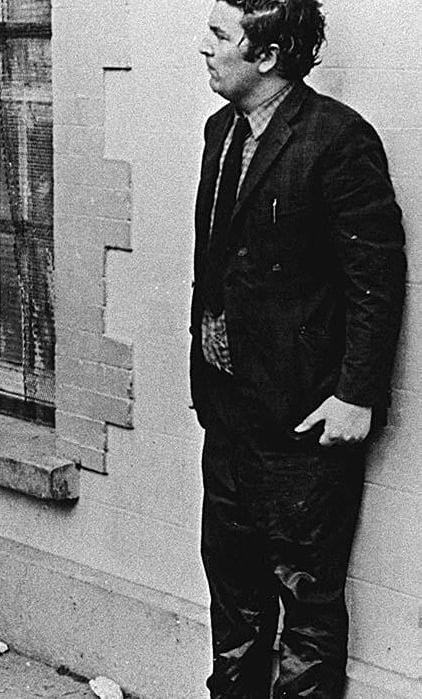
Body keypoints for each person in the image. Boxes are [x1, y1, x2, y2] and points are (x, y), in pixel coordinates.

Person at [191, 1, 405, 696]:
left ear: (268, 55)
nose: (204, 47)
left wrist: (355, 395)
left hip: (303, 422)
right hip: (228, 416)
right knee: (233, 595)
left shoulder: (338, 140)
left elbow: (377, 277)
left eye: (221, 36)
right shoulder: (219, 132)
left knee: (306, 606)